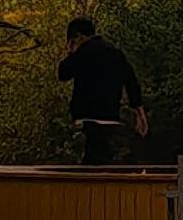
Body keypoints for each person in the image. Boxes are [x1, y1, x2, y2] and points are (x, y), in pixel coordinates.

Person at [57, 15, 148, 165]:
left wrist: (71, 53)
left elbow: (63, 74)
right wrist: (139, 111)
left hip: (88, 113)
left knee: (93, 154)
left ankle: (91, 183)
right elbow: (131, 82)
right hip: (110, 112)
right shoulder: (115, 53)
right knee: (103, 151)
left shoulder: (83, 52)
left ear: (78, 37)